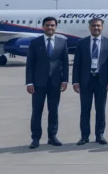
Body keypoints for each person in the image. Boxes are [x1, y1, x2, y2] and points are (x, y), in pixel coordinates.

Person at [25, 17, 69, 149]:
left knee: (53, 111)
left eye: (52, 25)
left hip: (55, 83)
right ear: (43, 27)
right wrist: (29, 83)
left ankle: (52, 136)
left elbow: (65, 63)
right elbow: (30, 64)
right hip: (38, 83)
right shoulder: (35, 42)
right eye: (47, 25)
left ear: (56, 27)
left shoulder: (62, 42)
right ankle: (35, 138)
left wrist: (65, 80)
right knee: (37, 111)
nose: (50, 28)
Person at [72, 18, 108, 145]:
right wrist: (75, 81)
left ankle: (100, 135)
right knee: (85, 109)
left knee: (100, 109)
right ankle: (84, 136)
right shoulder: (82, 43)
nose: (96, 28)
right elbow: (77, 64)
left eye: (98, 26)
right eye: (93, 26)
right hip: (85, 81)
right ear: (89, 27)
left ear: (102, 27)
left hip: (101, 81)